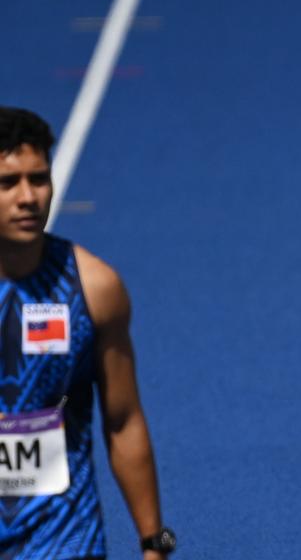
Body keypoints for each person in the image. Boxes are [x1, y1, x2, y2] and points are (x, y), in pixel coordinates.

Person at [0, 107, 176, 559]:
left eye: (38, 179)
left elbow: (123, 419)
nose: (28, 197)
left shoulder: (94, 288)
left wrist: (153, 543)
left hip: (63, 540)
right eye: (8, 183)